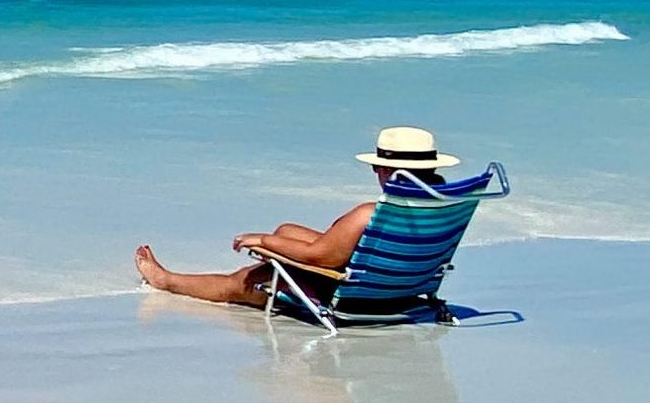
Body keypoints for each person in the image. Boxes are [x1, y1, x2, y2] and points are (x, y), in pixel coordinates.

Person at [134, 125, 460, 309]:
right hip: (403, 285)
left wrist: (263, 242)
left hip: (358, 296)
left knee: (244, 280)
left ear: (387, 169)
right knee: (287, 229)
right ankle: (275, 244)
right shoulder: (445, 206)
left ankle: (167, 280)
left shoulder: (371, 215)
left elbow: (319, 256)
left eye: (377, 166)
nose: (375, 171)